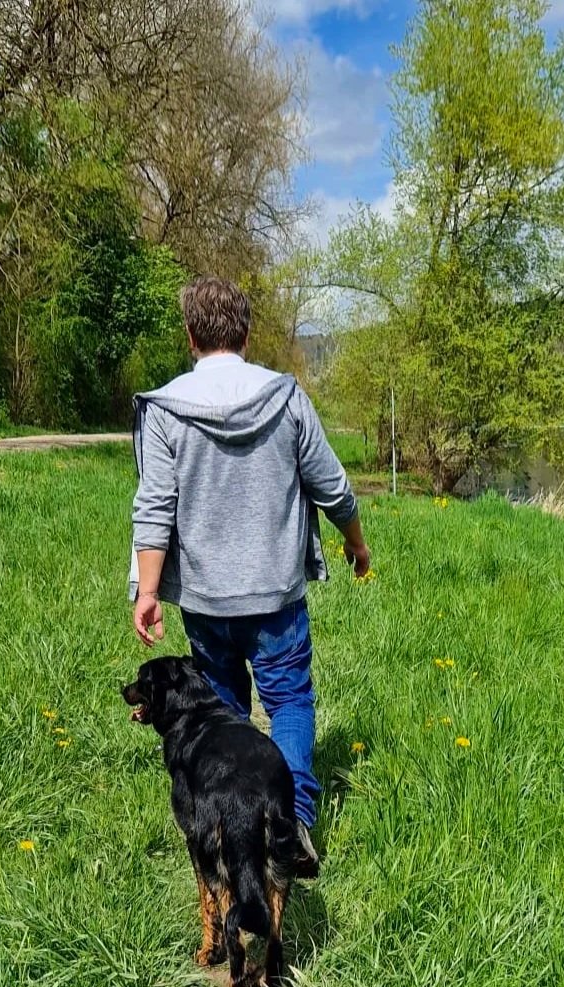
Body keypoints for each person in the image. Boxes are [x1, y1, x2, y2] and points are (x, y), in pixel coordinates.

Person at [129, 276, 370, 877]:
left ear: (190, 334)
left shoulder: (166, 409)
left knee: (225, 713)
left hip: (206, 602)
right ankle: (291, 829)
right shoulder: (284, 396)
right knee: (288, 700)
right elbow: (332, 485)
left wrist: (149, 590)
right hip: (276, 594)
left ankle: (227, 830)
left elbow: (154, 505)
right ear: (244, 332)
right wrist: (357, 545)